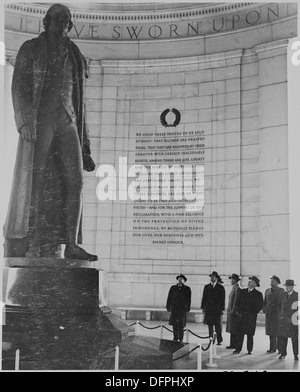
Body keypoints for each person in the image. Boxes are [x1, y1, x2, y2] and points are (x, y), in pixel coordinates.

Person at [4, 4, 97, 261]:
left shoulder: (75, 53)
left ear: (70, 25)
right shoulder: (30, 48)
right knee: (36, 180)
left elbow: (80, 103)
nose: (62, 23)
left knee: (75, 181)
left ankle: (71, 243)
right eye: (57, 19)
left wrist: (86, 147)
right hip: (40, 120)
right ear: (46, 22)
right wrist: (24, 121)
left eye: (66, 20)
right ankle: (29, 238)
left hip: (68, 123)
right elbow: (19, 86)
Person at [233, 276, 263, 355]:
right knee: (240, 333)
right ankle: (238, 349)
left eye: (252, 281)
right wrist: (238, 311)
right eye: (249, 281)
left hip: (251, 317)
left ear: (255, 284)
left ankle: (249, 350)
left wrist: (252, 313)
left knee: (250, 334)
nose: (249, 282)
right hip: (241, 316)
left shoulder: (258, 294)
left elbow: (260, 306)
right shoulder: (242, 291)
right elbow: (238, 302)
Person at [201, 271, 225, 345]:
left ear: (217, 278)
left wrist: (221, 309)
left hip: (217, 310)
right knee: (210, 325)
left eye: (213, 277)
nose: (212, 278)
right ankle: (211, 339)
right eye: (211, 277)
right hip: (209, 309)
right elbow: (204, 298)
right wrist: (203, 307)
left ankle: (219, 340)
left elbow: (222, 299)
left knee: (218, 326)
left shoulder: (221, 288)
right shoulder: (206, 287)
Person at [166, 274, 191, 342]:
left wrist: (187, 308)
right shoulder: (173, 288)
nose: (180, 280)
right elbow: (169, 298)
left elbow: (189, 300)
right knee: (174, 325)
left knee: (181, 325)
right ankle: (175, 338)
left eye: (181, 279)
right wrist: (168, 306)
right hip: (174, 309)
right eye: (179, 279)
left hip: (182, 310)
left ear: (184, 281)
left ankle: (181, 338)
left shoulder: (187, 289)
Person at [278, 280, 298, 361]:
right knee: (283, 337)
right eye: (286, 286)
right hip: (283, 320)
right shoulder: (283, 294)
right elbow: (280, 306)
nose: (286, 287)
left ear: (292, 287)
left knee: (294, 339)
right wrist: (280, 316)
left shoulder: (297, 295)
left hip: (293, 321)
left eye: (288, 286)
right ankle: (283, 353)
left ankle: (296, 354)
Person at [263, 275, 284, 353]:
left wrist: (281, 313)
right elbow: (264, 302)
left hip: (276, 314)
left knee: (277, 331)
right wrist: (265, 309)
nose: (271, 281)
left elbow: (282, 303)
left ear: (278, 283)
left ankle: (280, 348)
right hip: (269, 314)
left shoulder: (281, 291)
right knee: (270, 332)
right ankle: (272, 348)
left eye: (273, 281)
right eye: (271, 280)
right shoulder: (267, 290)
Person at [226, 273, 242, 349]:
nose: (231, 281)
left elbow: (236, 301)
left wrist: (233, 311)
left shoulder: (238, 288)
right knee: (232, 328)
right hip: (231, 311)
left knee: (234, 329)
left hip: (233, 312)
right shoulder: (234, 288)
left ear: (235, 280)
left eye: (232, 279)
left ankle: (234, 344)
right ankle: (232, 344)